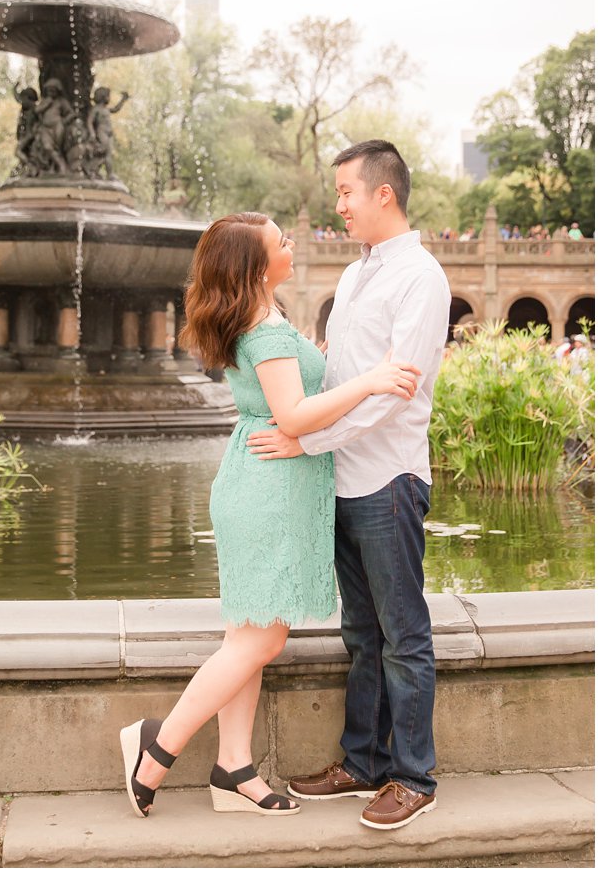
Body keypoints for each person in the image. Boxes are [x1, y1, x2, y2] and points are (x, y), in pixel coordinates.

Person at [120, 211, 421, 821]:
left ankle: (234, 767)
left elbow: (289, 401)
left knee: (251, 633)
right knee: (262, 636)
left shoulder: (263, 318)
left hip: (263, 481)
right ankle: (158, 746)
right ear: (258, 267)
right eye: (280, 241)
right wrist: (370, 380)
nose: (291, 244)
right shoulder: (265, 330)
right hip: (267, 489)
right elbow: (294, 416)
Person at [247, 139, 451, 830]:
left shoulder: (420, 278)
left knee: (403, 635)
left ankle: (414, 775)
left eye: (345, 192)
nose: (338, 205)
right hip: (344, 480)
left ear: (382, 193)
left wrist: (307, 440)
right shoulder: (361, 271)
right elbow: (346, 376)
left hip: (389, 479)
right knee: (362, 634)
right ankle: (362, 760)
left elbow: (395, 396)